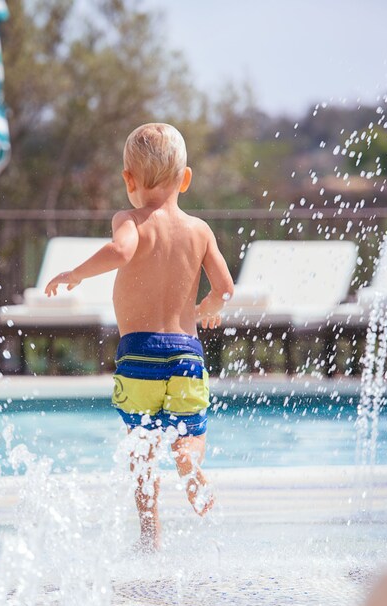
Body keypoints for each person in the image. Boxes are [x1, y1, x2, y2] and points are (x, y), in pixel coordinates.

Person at [44, 122, 234, 552]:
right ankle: (189, 462)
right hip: (186, 355)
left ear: (128, 181)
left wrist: (76, 273)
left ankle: (150, 533)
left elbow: (122, 251)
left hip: (138, 357)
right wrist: (208, 309)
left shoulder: (129, 219)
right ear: (185, 179)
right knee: (190, 434)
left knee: (142, 450)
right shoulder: (200, 231)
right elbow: (224, 288)